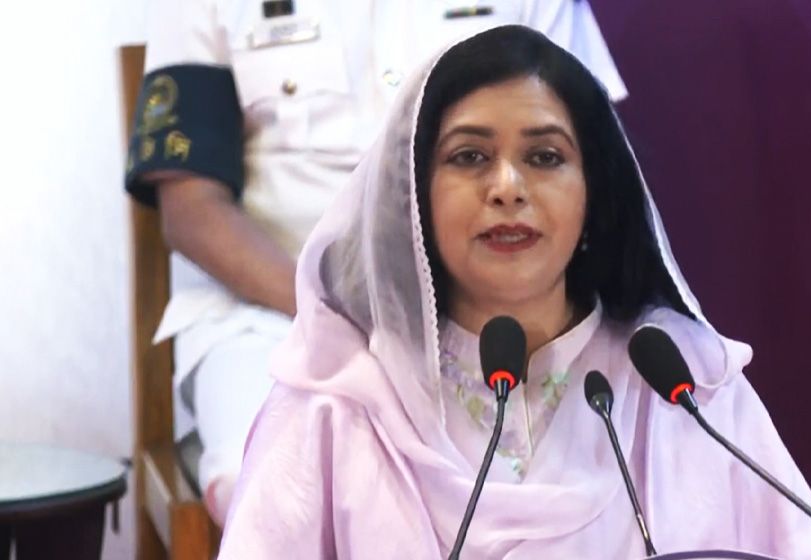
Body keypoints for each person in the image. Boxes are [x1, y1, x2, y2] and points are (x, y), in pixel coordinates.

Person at [217, 25, 811, 558]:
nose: (507, 188)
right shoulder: (338, 400)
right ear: (416, 199)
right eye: (469, 157)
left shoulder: (682, 385)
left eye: (545, 157)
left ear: (593, 191)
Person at [123, 1, 626, 525]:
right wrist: (341, 312)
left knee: (561, 487)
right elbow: (192, 210)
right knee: (283, 496)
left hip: (485, 317)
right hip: (274, 318)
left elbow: (588, 157)